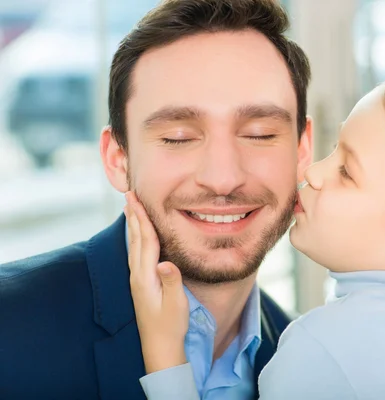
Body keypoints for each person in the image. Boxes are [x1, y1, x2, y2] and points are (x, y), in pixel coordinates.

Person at [126, 72, 385, 400]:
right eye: (334, 151)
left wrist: (165, 354)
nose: (312, 172)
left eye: (347, 172)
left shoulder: (320, 347)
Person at [0, 1, 312, 399]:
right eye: (178, 138)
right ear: (118, 159)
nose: (223, 178)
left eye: (259, 134)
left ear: (302, 151)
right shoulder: (8, 327)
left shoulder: (305, 358)